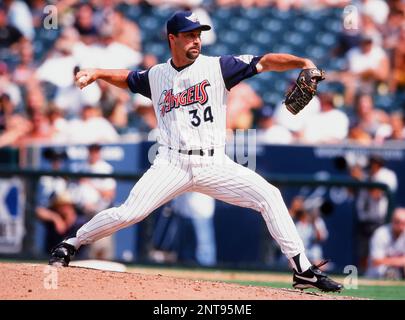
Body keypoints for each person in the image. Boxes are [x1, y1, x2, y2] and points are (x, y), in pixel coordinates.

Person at [49, 10, 342, 292]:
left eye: (199, 35)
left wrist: (302, 61)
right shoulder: (157, 75)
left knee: (270, 195)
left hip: (214, 163)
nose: (196, 41)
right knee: (129, 213)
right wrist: (98, 73)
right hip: (171, 163)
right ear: (172, 38)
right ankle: (71, 243)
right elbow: (128, 78)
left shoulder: (218, 67)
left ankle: (302, 270)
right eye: (189, 35)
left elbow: (264, 61)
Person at [350, 154, 398, 272]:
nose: (371, 166)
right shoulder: (366, 174)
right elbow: (350, 192)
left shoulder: (387, 175)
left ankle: (380, 277)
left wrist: (362, 180)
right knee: (362, 254)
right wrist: (354, 178)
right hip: (363, 220)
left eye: (373, 163)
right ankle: (365, 279)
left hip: (380, 221)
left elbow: (376, 194)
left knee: (378, 253)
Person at [365, 207, 405, 279]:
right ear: (392, 221)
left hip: (399, 273)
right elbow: (376, 261)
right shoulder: (381, 233)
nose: (401, 226)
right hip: (377, 276)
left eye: (403, 223)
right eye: (398, 222)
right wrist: (400, 261)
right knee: (388, 271)